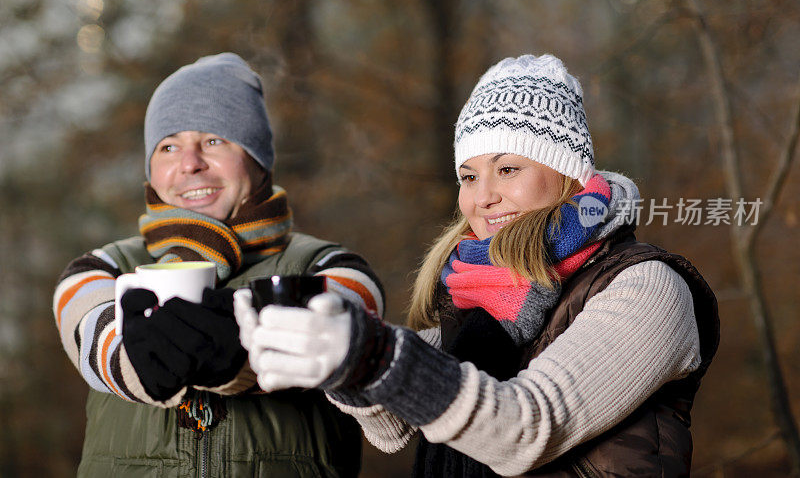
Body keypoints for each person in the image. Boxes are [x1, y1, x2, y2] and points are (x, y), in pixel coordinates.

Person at [236, 54, 719, 476]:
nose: (483, 197)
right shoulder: (474, 291)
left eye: (508, 169)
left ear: (570, 174)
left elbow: (527, 428)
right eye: (469, 176)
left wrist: (378, 354)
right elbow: (390, 427)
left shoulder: (647, 286)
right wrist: (340, 352)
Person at [53, 53, 385, 477]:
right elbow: (96, 341)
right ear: (151, 170)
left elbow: (341, 329)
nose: (190, 163)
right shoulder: (100, 268)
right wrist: (142, 362)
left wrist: (240, 352)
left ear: (258, 161)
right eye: (169, 146)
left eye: (214, 141)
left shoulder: (331, 267)